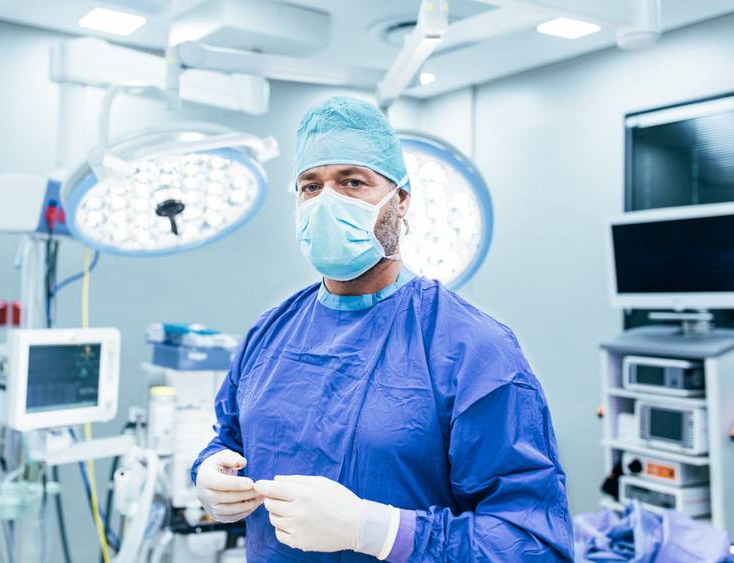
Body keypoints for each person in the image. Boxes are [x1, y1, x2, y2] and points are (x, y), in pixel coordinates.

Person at [191, 95, 574, 562]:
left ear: (401, 200)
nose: (327, 200)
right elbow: (230, 436)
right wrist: (210, 470)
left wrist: (379, 531)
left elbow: (533, 543)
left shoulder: (475, 349)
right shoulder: (269, 333)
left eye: (352, 182)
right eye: (311, 186)